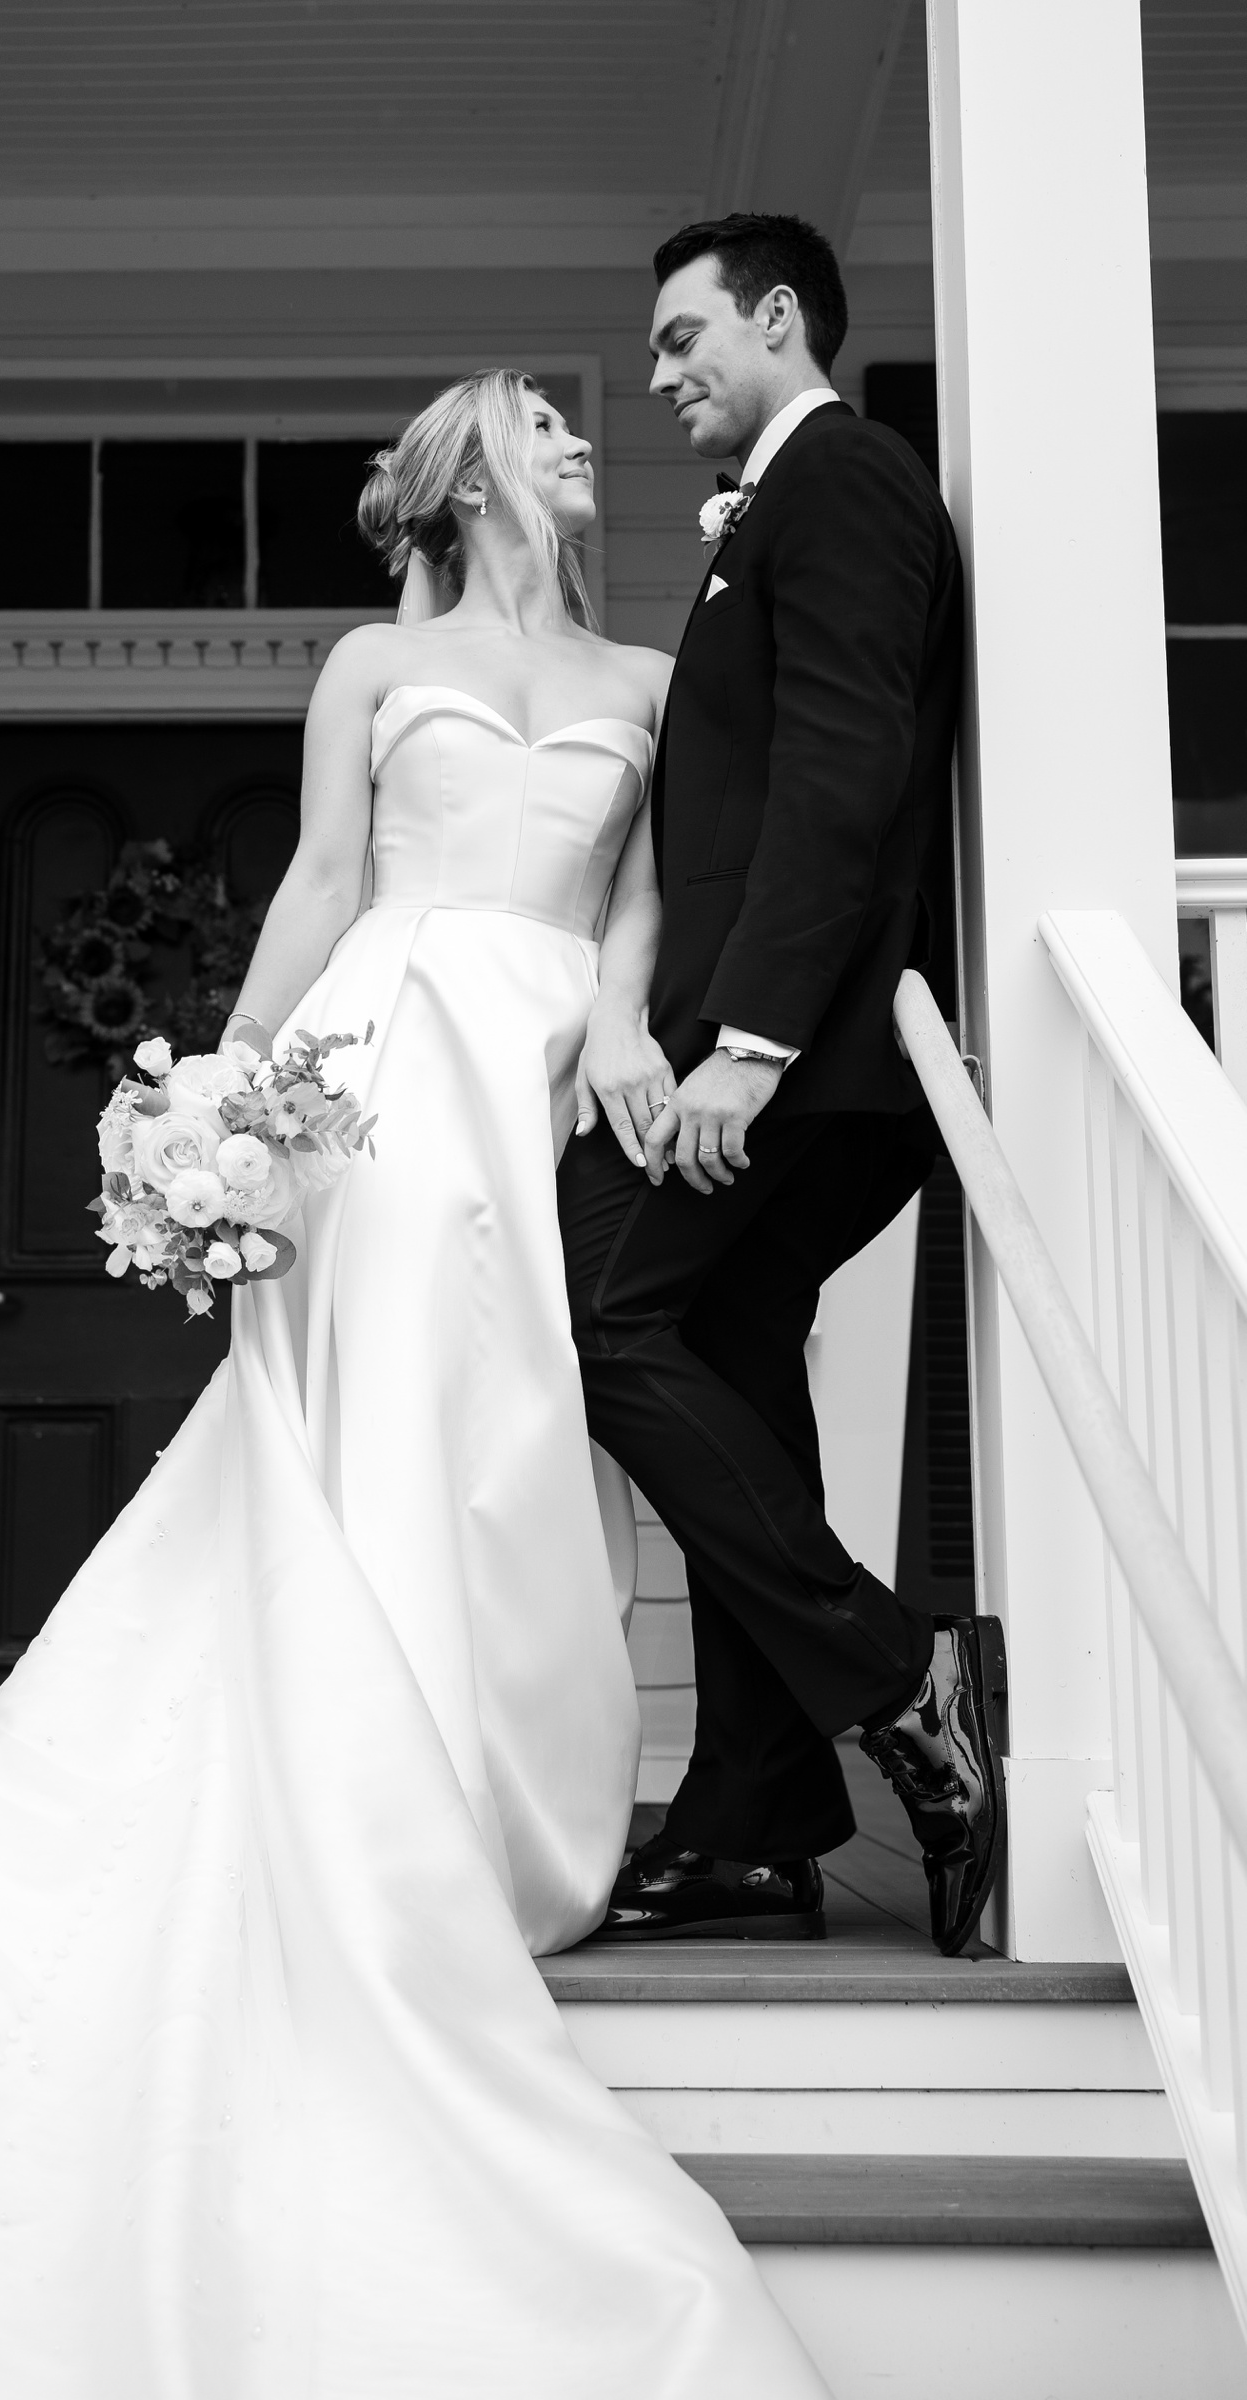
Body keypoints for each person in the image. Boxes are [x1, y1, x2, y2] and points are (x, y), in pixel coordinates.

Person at [0, 370, 827, 2397]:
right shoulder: (374, 656)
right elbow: (314, 879)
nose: (575, 442)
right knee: (361, 1426)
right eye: (542, 421)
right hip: (381, 1060)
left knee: (516, 1444)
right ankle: (359, 1822)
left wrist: (629, 1027)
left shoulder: (644, 670)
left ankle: (490, 1811)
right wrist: (219, 1095)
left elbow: (643, 892)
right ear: (466, 469)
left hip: (542, 1065)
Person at [560, 213, 1006, 1959]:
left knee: (601, 1321)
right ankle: (756, 1822)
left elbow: (842, 767)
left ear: (774, 319)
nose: (662, 373)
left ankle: (904, 1674)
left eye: (683, 339)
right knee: (727, 1369)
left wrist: (740, 1044)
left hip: (804, 1065)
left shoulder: (852, 482)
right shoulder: (779, 508)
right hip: (762, 1053)